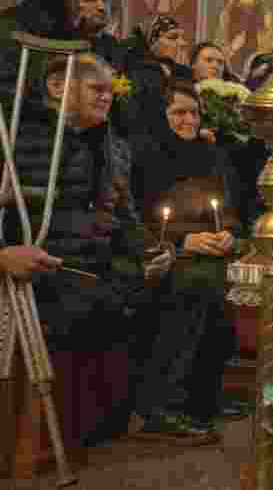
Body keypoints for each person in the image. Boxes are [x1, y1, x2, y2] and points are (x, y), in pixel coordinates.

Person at [6, 53, 219, 443]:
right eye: (96, 89)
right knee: (104, 297)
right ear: (59, 87)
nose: (106, 98)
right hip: (50, 267)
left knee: (192, 281)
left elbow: (128, 219)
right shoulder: (22, 140)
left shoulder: (116, 147)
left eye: (109, 91)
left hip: (102, 263)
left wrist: (156, 251)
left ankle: (158, 409)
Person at [129, 79, 240, 425]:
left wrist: (229, 234)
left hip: (212, 251)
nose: (189, 120)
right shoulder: (145, 156)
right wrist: (181, 242)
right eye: (179, 113)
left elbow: (228, 207)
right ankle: (163, 402)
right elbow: (136, 217)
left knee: (232, 288)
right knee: (194, 287)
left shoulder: (212, 155)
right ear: (161, 116)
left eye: (194, 112)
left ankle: (205, 397)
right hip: (163, 254)